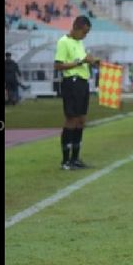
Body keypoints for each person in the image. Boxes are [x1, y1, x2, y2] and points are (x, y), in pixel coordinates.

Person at [53, 16, 99, 170]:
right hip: (71, 83)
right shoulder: (63, 42)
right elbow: (58, 66)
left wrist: (92, 61)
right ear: (77, 28)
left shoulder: (79, 42)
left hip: (82, 83)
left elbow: (82, 59)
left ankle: (75, 159)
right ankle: (65, 161)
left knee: (81, 120)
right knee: (71, 120)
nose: (85, 35)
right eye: (84, 32)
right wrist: (80, 62)